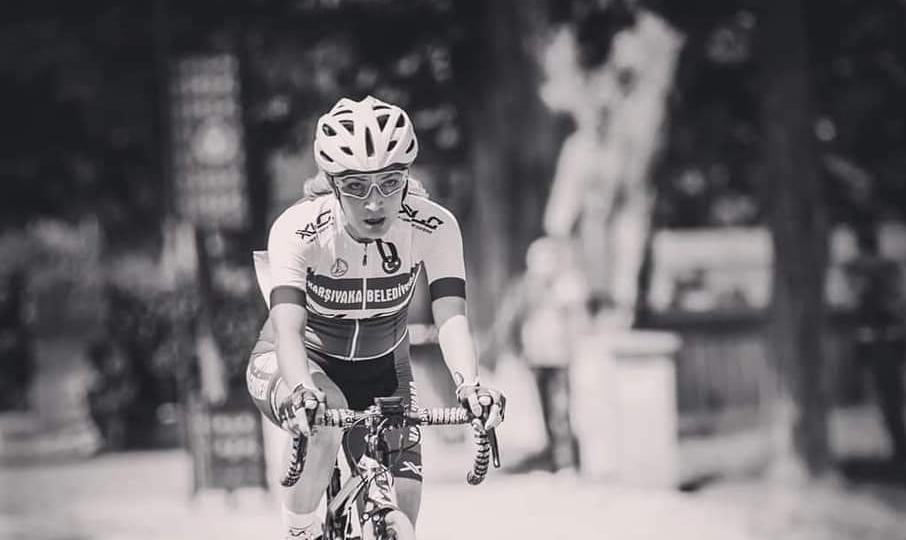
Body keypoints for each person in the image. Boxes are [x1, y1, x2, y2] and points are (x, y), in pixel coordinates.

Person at [245, 96, 506, 540]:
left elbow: (451, 316)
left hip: (385, 369)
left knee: (405, 504)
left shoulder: (434, 226)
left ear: (407, 178)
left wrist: (470, 386)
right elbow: (288, 329)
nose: (374, 202)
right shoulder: (299, 229)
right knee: (327, 417)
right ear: (332, 184)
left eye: (389, 182)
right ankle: (299, 531)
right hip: (301, 362)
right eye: (356, 186)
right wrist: (302, 390)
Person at [484, 236, 589, 472]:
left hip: (560, 357)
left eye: (545, 260)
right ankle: (553, 456)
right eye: (536, 261)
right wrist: (505, 350)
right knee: (545, 408)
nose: (540, 267)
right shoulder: (525, 288)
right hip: (536, 357)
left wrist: (574, 347)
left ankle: (566, 461)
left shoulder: (567, 287)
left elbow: (578, 322)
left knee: (560, 408)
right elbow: (510, 318)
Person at [845, 227, 906, 466]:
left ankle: (899, 447)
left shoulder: (866, 270)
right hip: (885, 339)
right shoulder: (886, 268)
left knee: (888, 397)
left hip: (882, 341)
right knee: (888, 397)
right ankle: (897, 445)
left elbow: (882, 303)